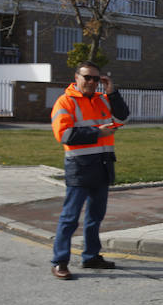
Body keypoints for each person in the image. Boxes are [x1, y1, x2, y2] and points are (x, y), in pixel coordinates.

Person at [50, 61, 130, 280]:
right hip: (80, 168)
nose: (92, 82)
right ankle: (60, 261)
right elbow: (64, 135)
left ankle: (91, 256)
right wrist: (97, 133)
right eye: (87, 77)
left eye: (96, 78)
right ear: (76, 77)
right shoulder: (64, 102)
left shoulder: (103, 100)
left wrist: (112, 92)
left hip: (103, 165)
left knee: (95, 216)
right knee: (70, 218)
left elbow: (123, 117)